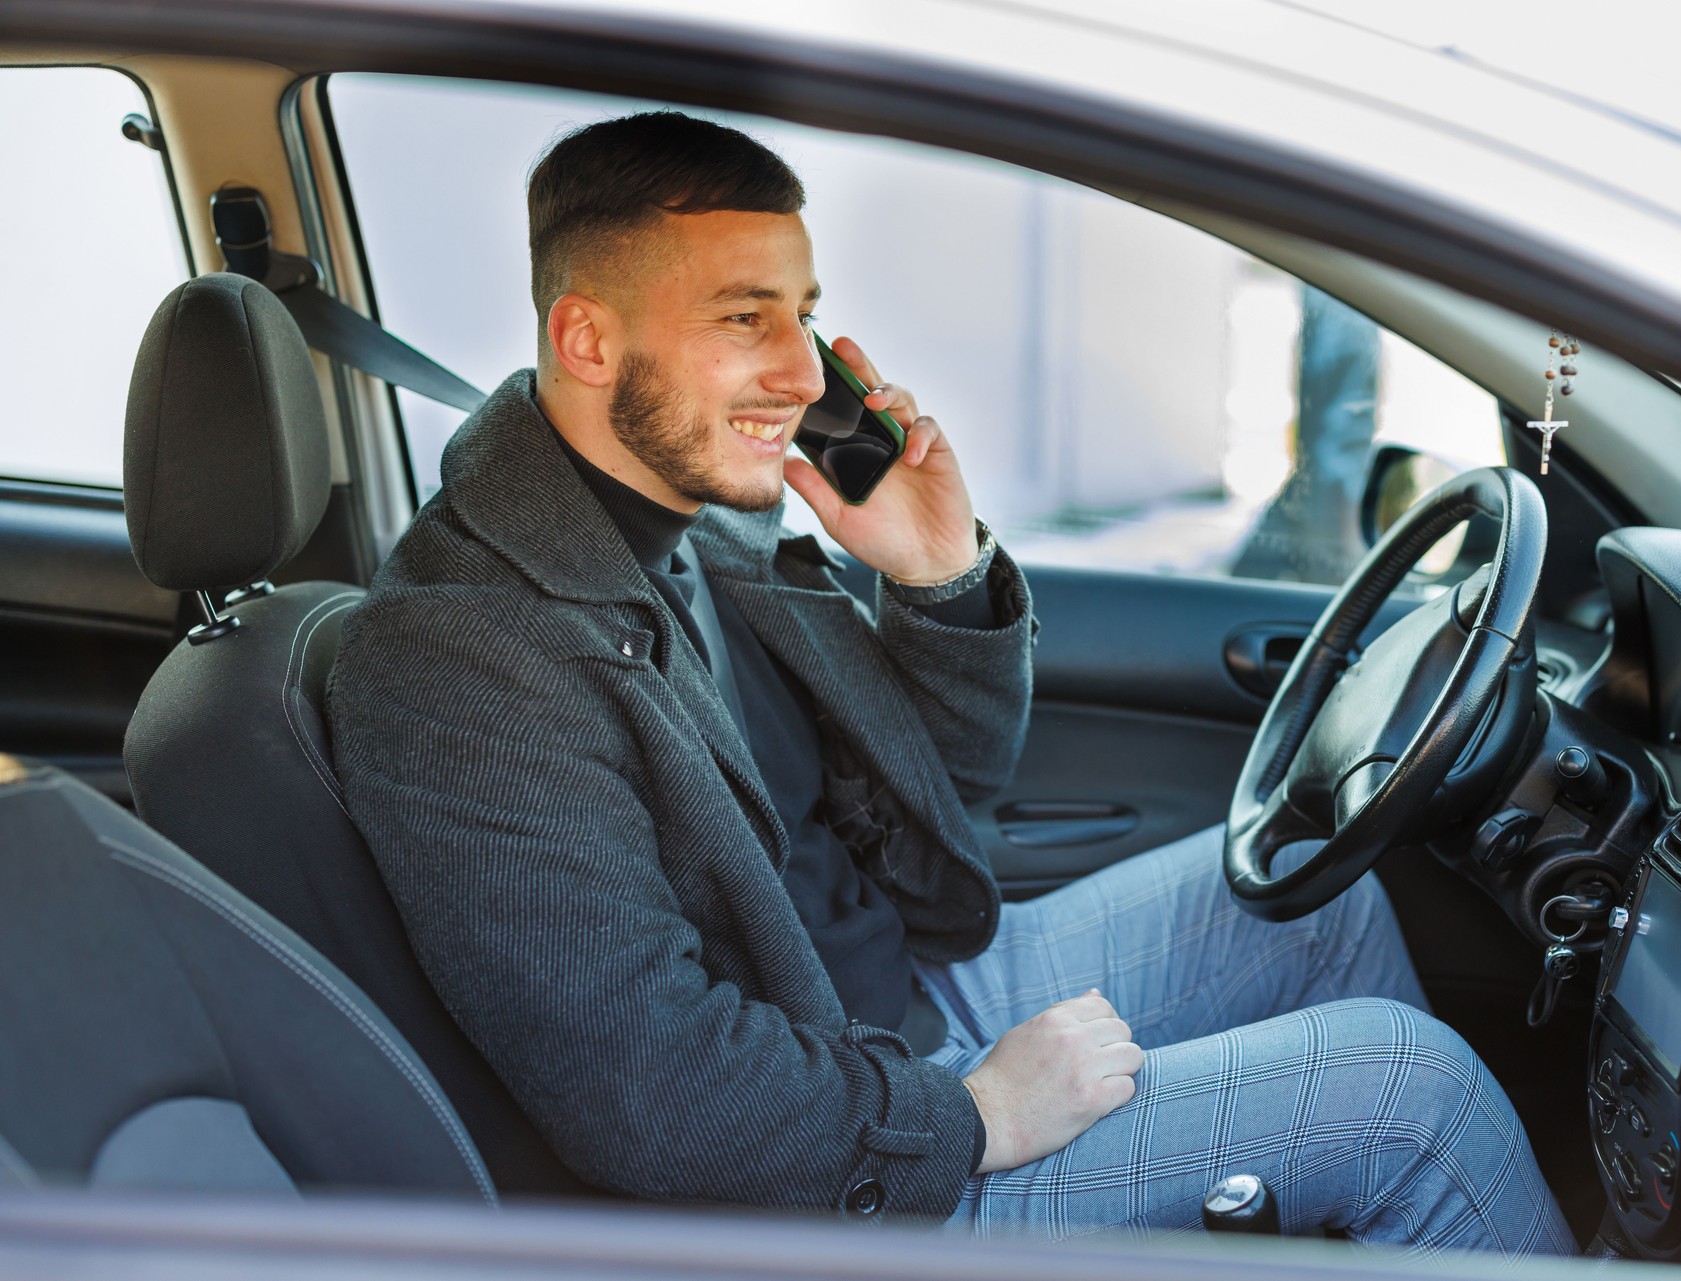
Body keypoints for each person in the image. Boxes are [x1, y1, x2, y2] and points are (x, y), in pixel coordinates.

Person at [327, 111, 1573, 1253]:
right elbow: (643, 1092)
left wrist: (936, 580)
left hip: (901, 995)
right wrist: (969, 1115)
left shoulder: (700, 526)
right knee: (1411, 1096)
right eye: (743, 318)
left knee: (1320, 902)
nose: (807, 376)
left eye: (802, 313)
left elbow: (942, 796)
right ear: (587, 338)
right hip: (842, 1161)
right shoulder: (458, 652)